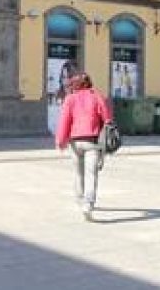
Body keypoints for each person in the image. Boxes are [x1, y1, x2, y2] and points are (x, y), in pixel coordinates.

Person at [55, 72, 113, 222]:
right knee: (91, 174)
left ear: (75, 85)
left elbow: (65, 121)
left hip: (75, 142)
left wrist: (61, 141)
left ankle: (80, 200)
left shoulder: (70, 98)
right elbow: (107, 118)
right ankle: (88, 204)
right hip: (92, 141)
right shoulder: (96, 96)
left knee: (78, 173)